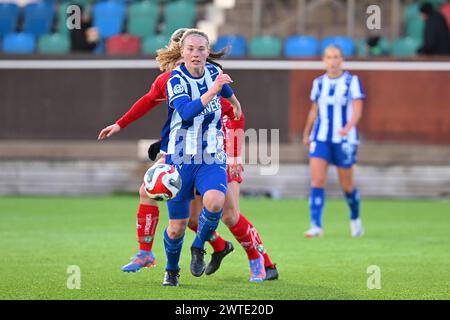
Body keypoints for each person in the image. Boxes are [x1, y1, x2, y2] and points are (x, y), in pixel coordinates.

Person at [302, 45, 365, 238]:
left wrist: (348, 127)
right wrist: (307, 132)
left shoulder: (352, 81)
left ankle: (355, 218)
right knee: (317, 180)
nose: (333, 61)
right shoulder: (318, 83)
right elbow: (314, 110)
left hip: (344, 140)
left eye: (336, 57)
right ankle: (316, 226)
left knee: (347, 186)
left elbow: (357, 108)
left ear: (342, 60)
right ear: (324, 60)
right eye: (329, 57)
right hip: (321, 138)